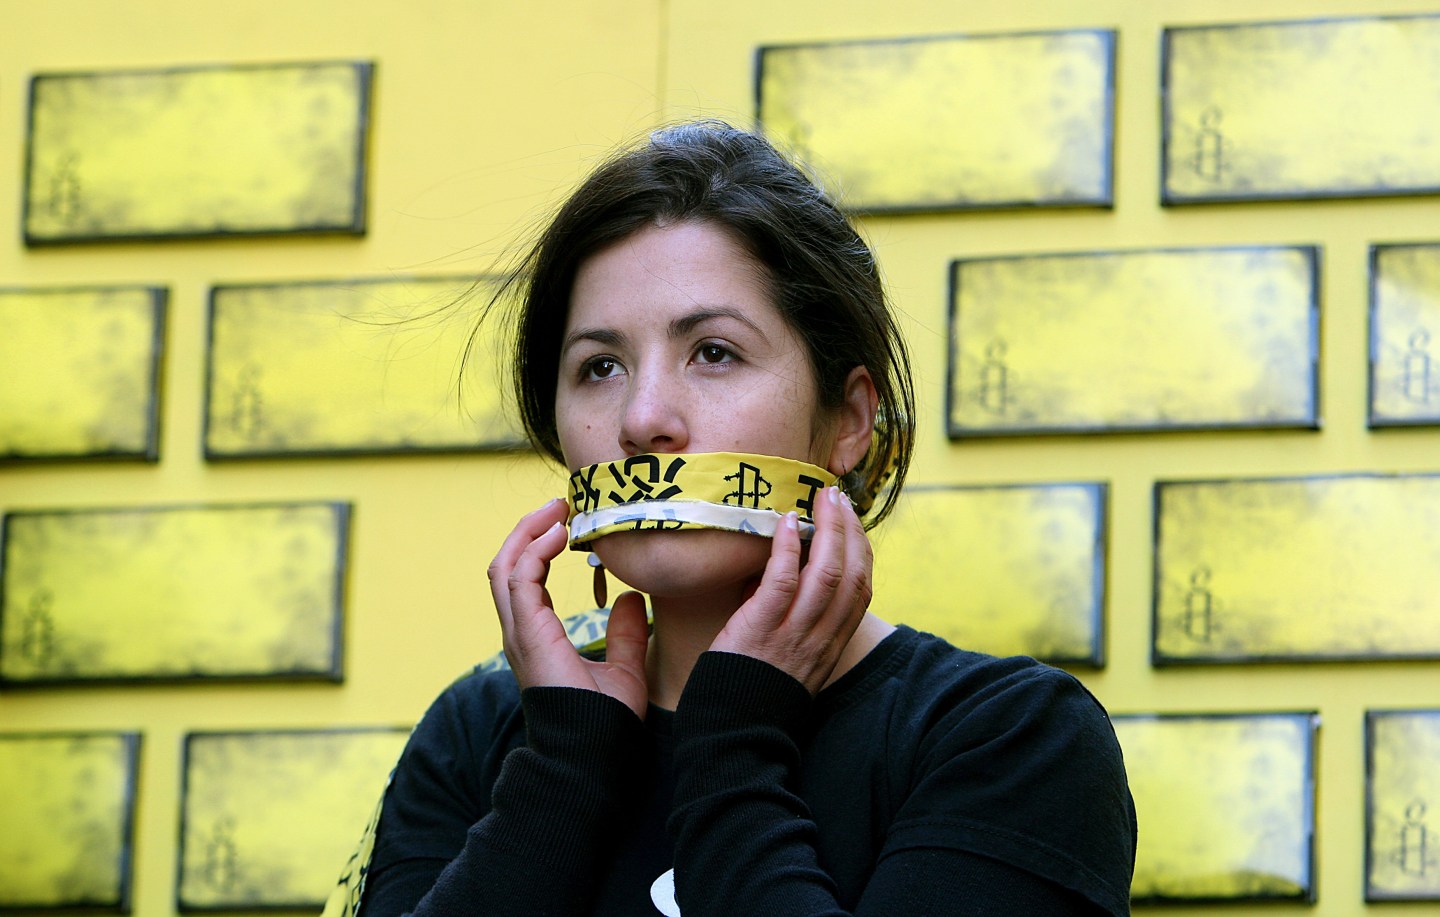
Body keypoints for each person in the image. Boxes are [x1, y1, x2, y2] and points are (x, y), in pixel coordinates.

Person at [348, 121, 1136, 916]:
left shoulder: (1005, 738)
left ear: (848, 421)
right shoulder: (477, 736)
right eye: (599, 366)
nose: (643, 418)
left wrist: (728, 756)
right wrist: (559, 779)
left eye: (714, 352)